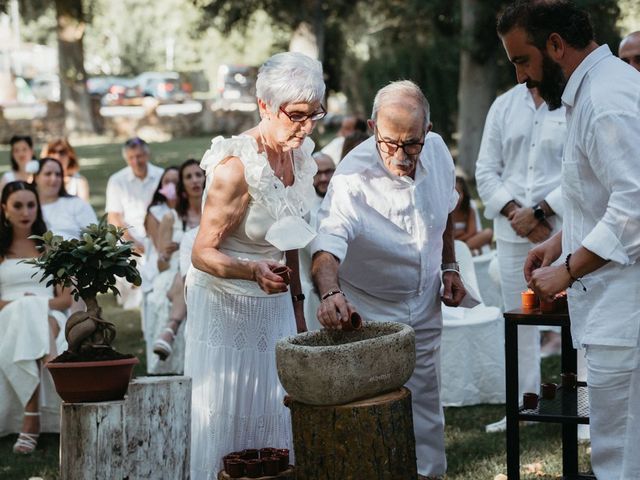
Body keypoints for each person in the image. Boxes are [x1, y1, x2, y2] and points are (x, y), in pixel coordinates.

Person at [497, 2, 640, 478]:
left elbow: (634, 206)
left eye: (522, 60)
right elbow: (598, 196)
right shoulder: (597, 89)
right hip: (612, 307)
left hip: (626, 312)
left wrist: (568, 267)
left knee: (622, 457)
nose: (521, 78)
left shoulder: (605, 100)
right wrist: (559, 241)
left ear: (556, 44)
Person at [311, 80, 465, 480]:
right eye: (389, 142)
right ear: (371, 127)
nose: (400, 155)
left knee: (426, 400)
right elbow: (326, 248)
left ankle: (431, 475)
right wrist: (330, 293)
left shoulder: (440, 153)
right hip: (373, 305)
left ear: (427, 132)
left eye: (411, 144)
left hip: (426, 298)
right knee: (372, 409)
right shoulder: (350, 177)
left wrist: (450, 267)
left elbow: (446, 210)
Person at [184, 51, 325, 479]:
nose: (305, 127)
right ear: (264, 106)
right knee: (229, 409)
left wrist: (299, 312)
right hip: (227, 307)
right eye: (296, 115)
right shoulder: (235, 168)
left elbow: (293, 239)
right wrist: (252, 271)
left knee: (275, 406)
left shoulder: (300, 158)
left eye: (314, 115)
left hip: (276, 302)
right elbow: (201, 252)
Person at [475, 82, 565, 432]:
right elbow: (485, 170)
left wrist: (542, 212)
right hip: (512, 232)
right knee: (517, 317)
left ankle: (590, 412)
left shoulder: (569, 100)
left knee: (579, 315)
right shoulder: (503, 105)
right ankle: (525, 405)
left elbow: (579, 170)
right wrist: (520, 216)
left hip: (564, 226)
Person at [0, 181, 72, 452]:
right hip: (8, 316)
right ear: (4, 209)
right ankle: (51, 363)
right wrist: (21, 304)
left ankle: (32, 418)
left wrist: (38, 303)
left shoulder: (50, 247)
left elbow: (66, 299)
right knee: (25, 310)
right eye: (17, 205)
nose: (25, 212)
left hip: (50, 314)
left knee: (33, 310)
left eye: (31, 205)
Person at [146, 159, 204, 374]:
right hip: (174, 275)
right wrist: (166, 253)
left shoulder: (214, 214)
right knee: (185, 273)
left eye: (198, 174)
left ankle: (171, 328)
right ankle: (171, 329)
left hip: (206, 271)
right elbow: (161, 265)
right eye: (188, 176)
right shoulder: (171, 218)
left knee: (191, 272)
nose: (195, 180)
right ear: (182, 185)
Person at [106, 137, 163, 309]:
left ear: (147, 154)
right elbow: (114, 218)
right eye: (131, 158)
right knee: (121, 254)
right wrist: (132, 242)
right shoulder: (117, 180)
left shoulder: (161, 176)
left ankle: (149, 290)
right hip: (128, 235)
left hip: (157, 233)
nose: (136, 161)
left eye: (139, 156)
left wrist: (155, 239)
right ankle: (137, 289)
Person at [299, 152, 335, 330]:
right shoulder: (303, 208)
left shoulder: (340, 202)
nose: (324, 178)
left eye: (329, 172)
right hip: (312, 292)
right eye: (318, 173)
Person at [32, 158, 97, 239]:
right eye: (48, 174)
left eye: (58, 174)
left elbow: (94, 237)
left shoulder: (77, 204)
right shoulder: (28, 208)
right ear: (36, 177)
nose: (54, 178)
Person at [452, 176, 493, 254]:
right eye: (452, 193)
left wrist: (458, 235)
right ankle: (465, 251)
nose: (455, 197)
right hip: (449, 244)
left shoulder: (469, 210)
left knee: (488, 232)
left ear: (464, 194)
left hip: (467, 242)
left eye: (458, 193)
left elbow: (471, 232)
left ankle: (462, 251)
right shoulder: (447, 211)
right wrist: (461, 233)